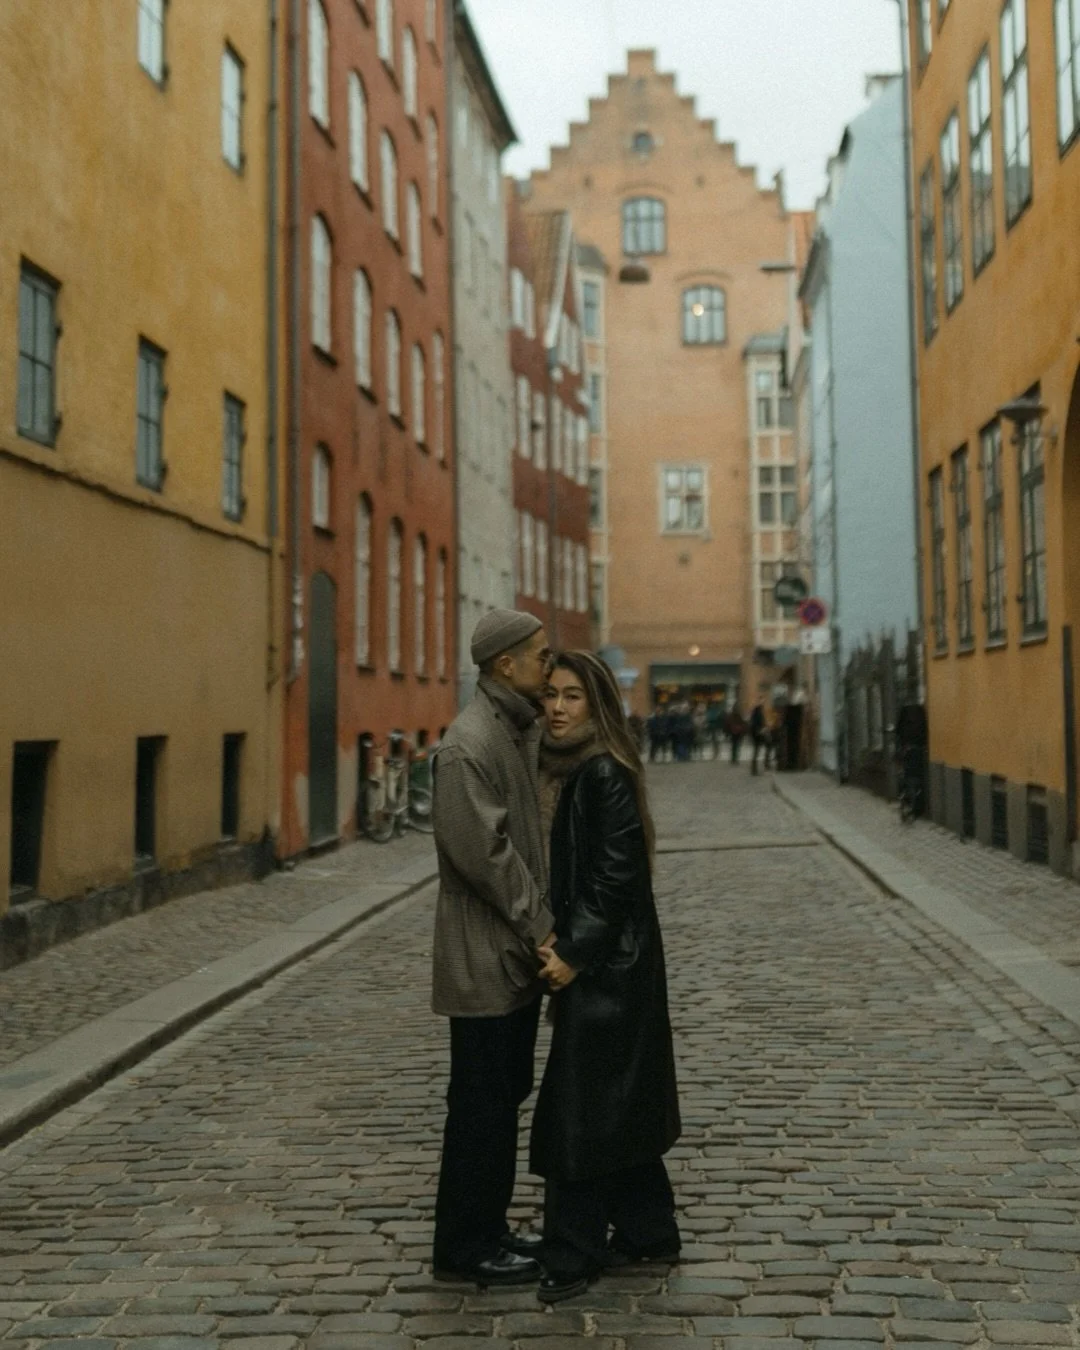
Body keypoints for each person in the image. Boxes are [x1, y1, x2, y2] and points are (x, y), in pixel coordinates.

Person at [530, 651, 682, 1304]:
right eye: (550, 696)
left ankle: (573, 1250)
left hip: (608, 971)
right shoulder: (592, 768)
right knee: (621, 1100)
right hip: (624, 964)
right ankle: (649, 1230)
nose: (557, 709)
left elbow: (616, 876)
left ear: (597, 707)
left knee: (579, 1110)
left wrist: (573, 951)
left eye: (571, 697)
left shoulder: (600, 774)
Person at [430, 609, 555, 1287]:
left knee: (502, 1094)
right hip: (483, 956)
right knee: (479, 1104)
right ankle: (463, 1245)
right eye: (539, 655)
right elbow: (489, 858)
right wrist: (544, 930)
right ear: (505, 665)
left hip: (505, 954)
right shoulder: (469, 744)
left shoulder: (514, 729)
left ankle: (491, 1226)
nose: (548, 664)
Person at [749, 697, 767, 775]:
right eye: (761, 701)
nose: (763, 702)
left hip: (757, 733)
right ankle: (754, 769)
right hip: (757, 734)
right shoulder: (757, 711)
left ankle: (754, 769)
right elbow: (756, 723)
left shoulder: (759, 711)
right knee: (756, 751)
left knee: (756, 751)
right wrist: (761, 729)